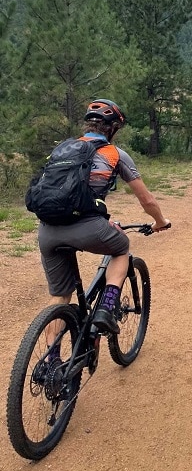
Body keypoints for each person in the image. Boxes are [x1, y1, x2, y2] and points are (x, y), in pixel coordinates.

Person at [37, 99, 171, 341]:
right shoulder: (114, 153)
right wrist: (160, 221)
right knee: (121, 247)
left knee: (59, 297)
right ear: (113, 128)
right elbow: (147, 200)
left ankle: (50, 364)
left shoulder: (61, 149)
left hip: (47, 231)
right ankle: (106, 308)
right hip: (87, 227)